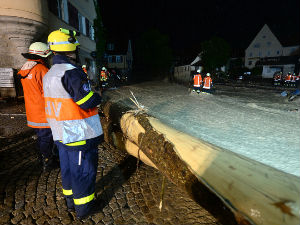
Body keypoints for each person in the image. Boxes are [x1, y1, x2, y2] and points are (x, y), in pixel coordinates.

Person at [44, 28, 103, 219]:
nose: (77, 51)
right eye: (75, 47)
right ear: (70, 48)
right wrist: (98, 96)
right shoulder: (71, 73)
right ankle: (85, 209)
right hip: (78, 134)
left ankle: (70, 202)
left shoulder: (50, 72)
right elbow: (86, 101)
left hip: (61, 133)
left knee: (68, 170)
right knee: (83, 172)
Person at [17, 42, 58, 172]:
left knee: (41, 137)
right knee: (47, 138)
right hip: (44, 113)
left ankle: (42, 158)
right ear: (42, 56)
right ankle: (47, 161)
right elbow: (51, 91)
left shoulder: (25, 68)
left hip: (32, 111)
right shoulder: (42, 70)